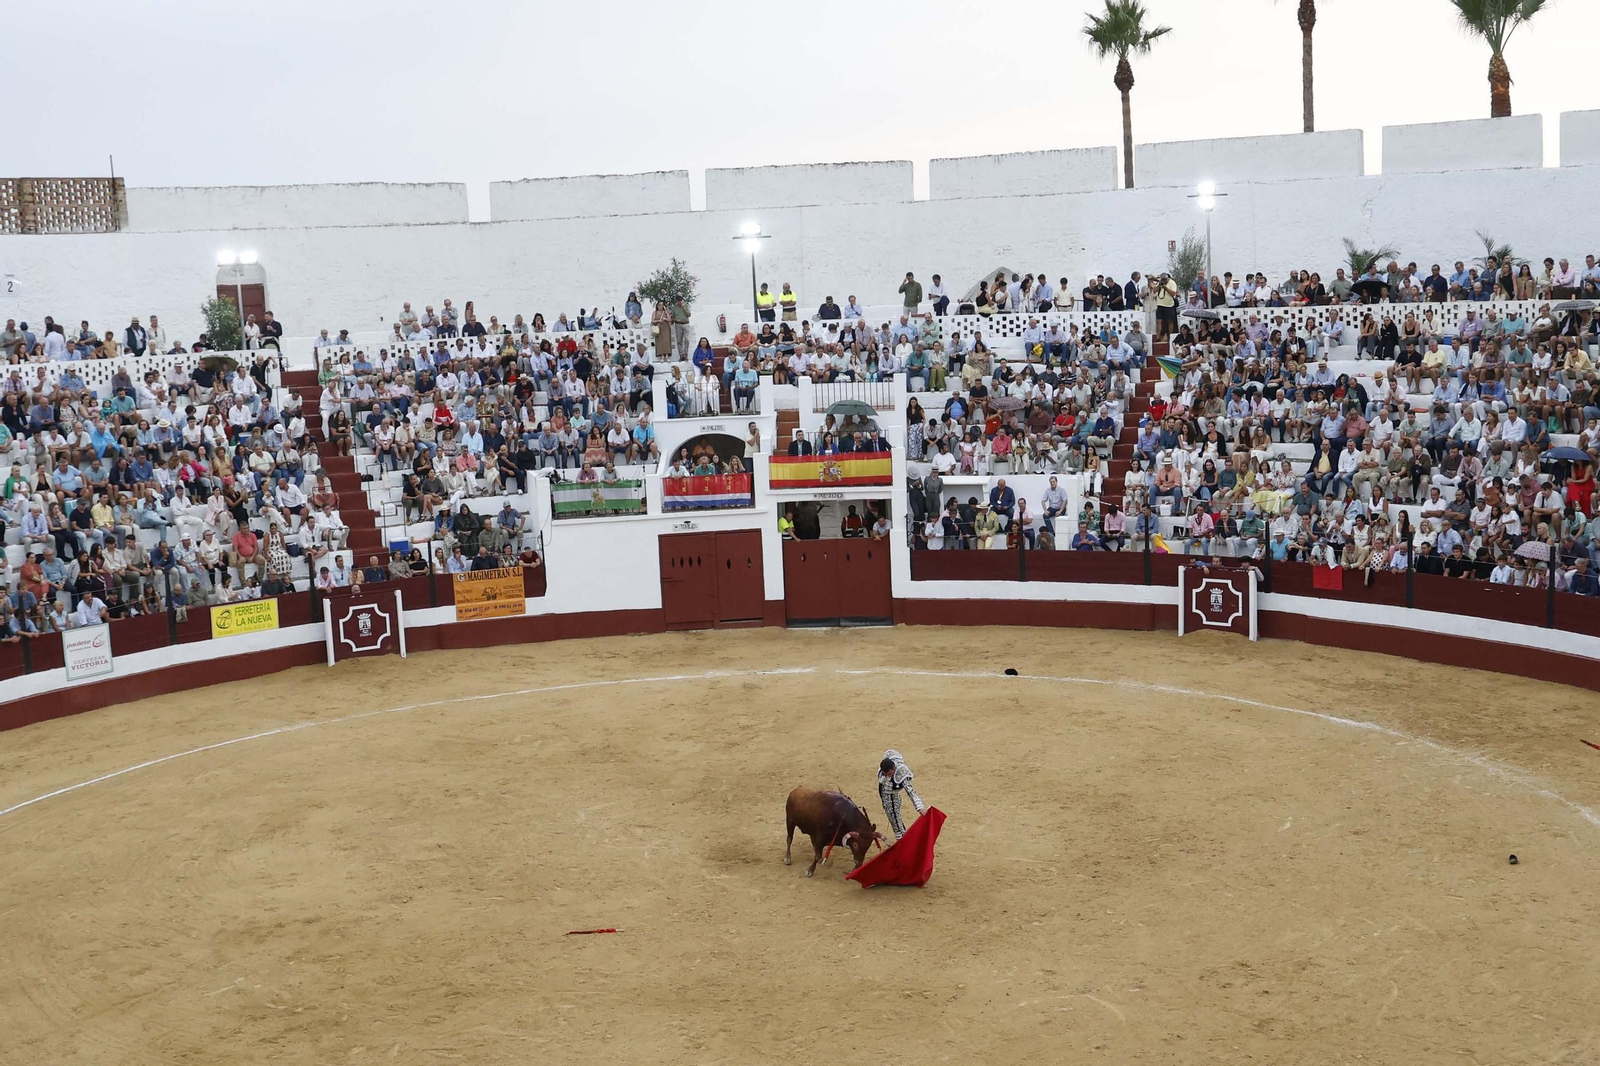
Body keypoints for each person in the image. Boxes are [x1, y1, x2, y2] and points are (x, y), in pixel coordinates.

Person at [877, 749, 927, 842]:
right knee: (894, 820)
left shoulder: (901, 772)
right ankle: (902, 841)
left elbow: (911, 791)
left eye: (890, 774)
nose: (889, 776)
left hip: (893, 797)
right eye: (886, 774)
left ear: (894, 768)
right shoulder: (885, 768)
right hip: (885, 796)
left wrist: (920, 807)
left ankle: (902, 842)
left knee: (896, 821)